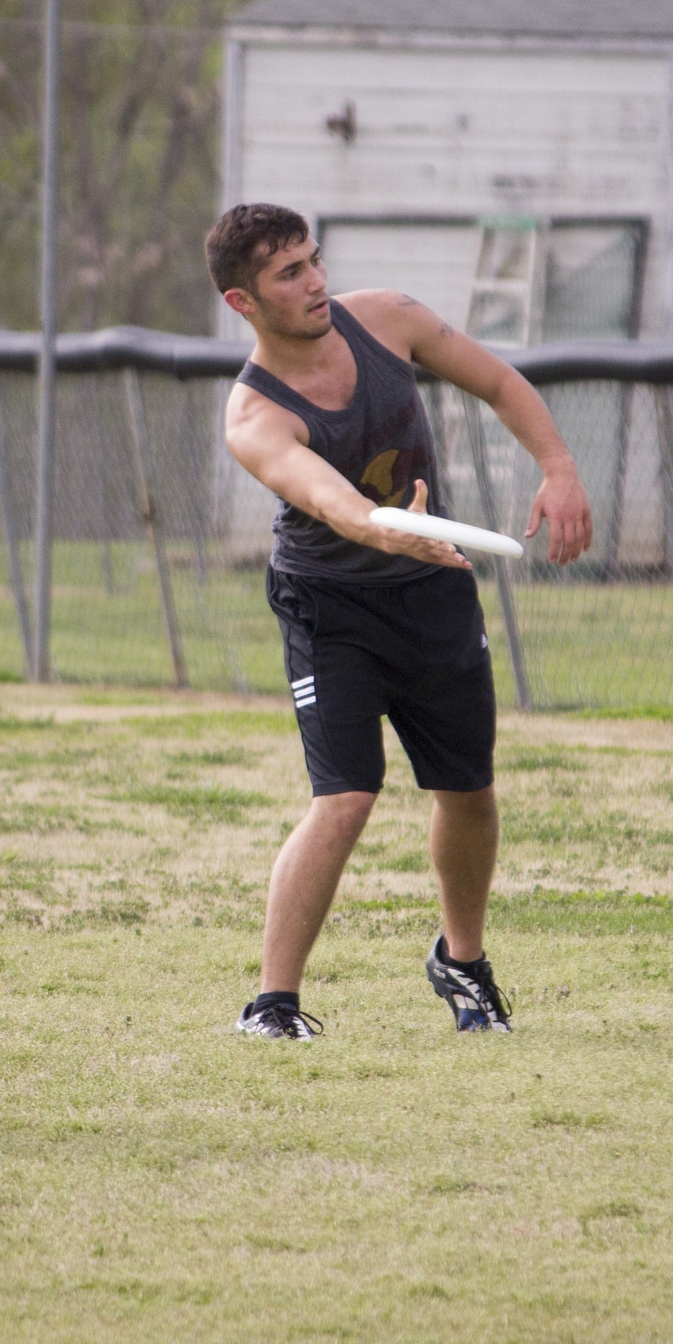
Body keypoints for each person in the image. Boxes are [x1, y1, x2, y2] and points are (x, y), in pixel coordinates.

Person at [211, 204, 593, 1039]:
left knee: (469, 788)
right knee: (345, 797)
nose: (314, 282)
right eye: (288, 274)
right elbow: (333, 503)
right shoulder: (254, 416)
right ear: (244, 302)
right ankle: (271, 1004)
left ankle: (463, 963)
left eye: (313, 261)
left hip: (433, 590)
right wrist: (394, 528)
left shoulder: (387, 318)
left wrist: (558, 468)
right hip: (331, 604)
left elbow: (497, 380)